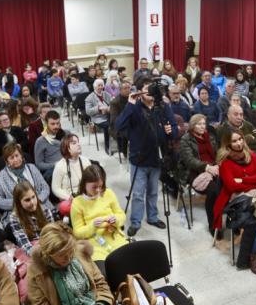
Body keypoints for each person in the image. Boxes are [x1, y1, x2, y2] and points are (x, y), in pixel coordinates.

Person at [115, 79, 178, 236]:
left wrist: (170, 131)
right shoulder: (134, 108)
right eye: (146, 88)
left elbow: (174, 130)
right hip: (139, 158)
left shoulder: (162, 107)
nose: (149, 91)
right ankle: (136, 221)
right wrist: (130, 103)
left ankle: (152, 217)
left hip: (157, 158)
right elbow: (118, 126)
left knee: (153, 191)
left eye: (151, 88)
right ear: (141, 91)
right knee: (137, 193)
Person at [213, 129, 256, 271]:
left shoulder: (251, 155)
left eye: (240, 139)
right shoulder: (225, 162)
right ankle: (244, 260)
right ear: (227, 144)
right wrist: (250, 184)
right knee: (254, 221)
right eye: (234, 141)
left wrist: (243, 179)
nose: (238, 143)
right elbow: (231, 186)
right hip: (235, 200)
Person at [70, 165, 126, 264]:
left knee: (128, 262)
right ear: (84, 184)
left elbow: (122, 216)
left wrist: (116, 219)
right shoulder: (77, 203)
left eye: (100, 186)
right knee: (106, 270)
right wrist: (93, 226)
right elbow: (77, 233)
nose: (98, 190)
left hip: (115, 236)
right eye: (94, 187)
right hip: (94, 243)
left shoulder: (108, 193)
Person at [179, 114, 220, 234]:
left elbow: (217, 153)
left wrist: (218, 164)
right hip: (194, 172)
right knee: (213, 191)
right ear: (193, 125)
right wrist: (206, 167)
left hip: (213, 168)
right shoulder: (186, 139)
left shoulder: (210, 136)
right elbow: (189, 160)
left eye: (204, 124)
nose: (202, 126)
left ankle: (230, 219)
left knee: (227, 186)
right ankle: (213, 225)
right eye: (199, 124)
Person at [0, 143, 53, 224]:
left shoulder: (32, 168)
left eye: (17, 155)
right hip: (17, 211)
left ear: (21, 156)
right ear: (7, 161)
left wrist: (36, 200)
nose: (15, 159)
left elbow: (45, 188)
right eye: (11, 158)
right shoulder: (2, 175)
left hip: (39, 205)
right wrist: (19, 204)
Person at [7, 181, 57, 254]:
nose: (32, 202)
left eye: (33, 197)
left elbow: (53, 234)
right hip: (32, 252)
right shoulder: (14, 218)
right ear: (19, 202)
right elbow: (25, 245)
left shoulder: (45, 210)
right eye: (27, 200)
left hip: (49, 246)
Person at [51, 134, 91, 217]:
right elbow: (55, 188)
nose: (78, 144)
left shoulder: (85, 161)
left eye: (78, 142)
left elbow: (92, 180)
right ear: (67, 147)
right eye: (74, 143)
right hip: (69, 198)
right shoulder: (60, 166)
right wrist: (68, 197)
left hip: (85, 195)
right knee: (64, 207)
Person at [34, 110, 66, 182]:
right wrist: (55, 164)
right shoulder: (41, 141)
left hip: (69, 164)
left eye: (57, 123)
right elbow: (39, 164)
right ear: (46, 124)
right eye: (52, 124)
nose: (56, 126)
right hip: (53, 170)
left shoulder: (66, 134)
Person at [86, 79, 113, 153]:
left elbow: (112, 102)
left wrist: (109, 108)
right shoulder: (90, 97)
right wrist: (98, 108)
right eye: (99, 85)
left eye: (102, 85)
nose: (100, 87)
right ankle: (107, 146)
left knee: (119, 122)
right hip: (98, 118)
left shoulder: (106, 94)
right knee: (107, 126)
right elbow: (88, 111)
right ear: (95, 86)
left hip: (108, 115)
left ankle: (119, 144)